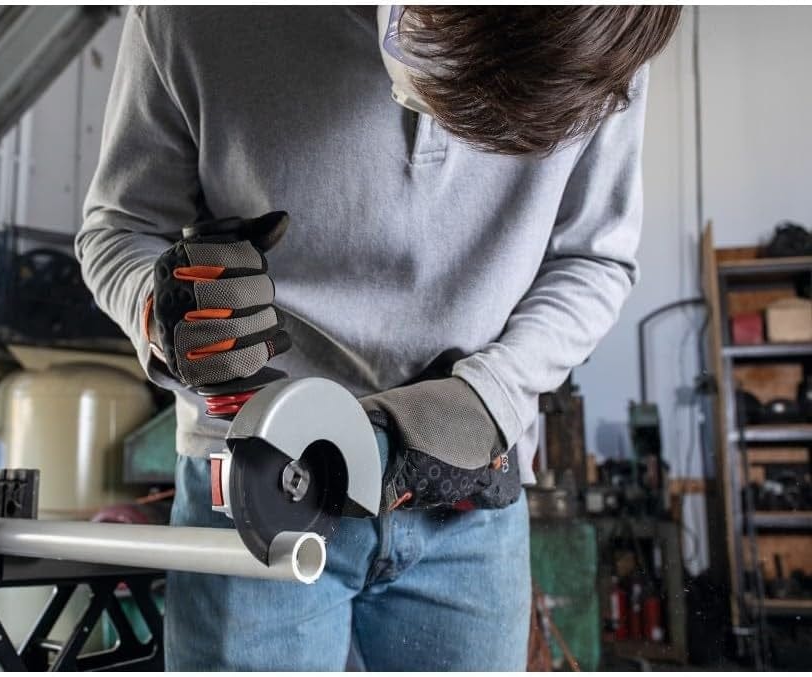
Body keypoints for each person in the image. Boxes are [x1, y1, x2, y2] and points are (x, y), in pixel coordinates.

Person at [77, 5, 681, 670]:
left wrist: (492, 395)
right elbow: (120, 228)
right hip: (259, 478)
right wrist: (159, 310)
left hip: (467, 498)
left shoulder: (603, 40)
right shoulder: (193, 17)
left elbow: (593, 259)